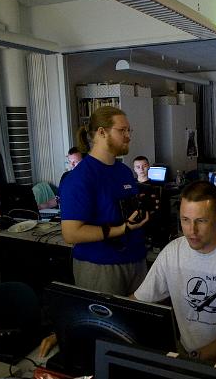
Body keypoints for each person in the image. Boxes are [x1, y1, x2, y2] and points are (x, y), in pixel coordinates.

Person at [133, 180, 216, 376]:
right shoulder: (173, 251)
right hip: (190, 353)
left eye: (201, 221)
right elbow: (138, 302)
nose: (192, 230)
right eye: (185, 220)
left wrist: (194, 360)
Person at [59, 106, 152, 297]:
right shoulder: (79, 178)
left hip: (136, 259)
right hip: (101, 266)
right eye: (122, 130)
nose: (128, 136)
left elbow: (121, 212)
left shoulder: (124, 171)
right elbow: (71, 233)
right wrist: (122, 229)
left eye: (129, 130)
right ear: (102, 132)